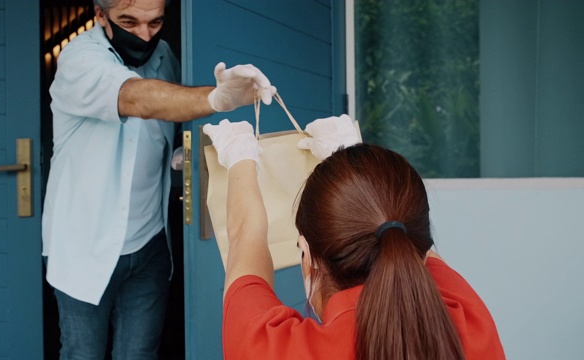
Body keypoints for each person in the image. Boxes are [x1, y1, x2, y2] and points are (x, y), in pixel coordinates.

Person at [42, 0, 276, 358]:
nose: (143, 34)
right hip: (82, 246)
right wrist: (216, 98)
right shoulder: (78, 58)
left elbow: (163, 122)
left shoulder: (164, 55)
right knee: (82, 354)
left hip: (150, 243)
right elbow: (138, 98)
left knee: (140, 354)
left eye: (155, 23)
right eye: (129, 21)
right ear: (100, 15)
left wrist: (177, 161)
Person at [203, 116, 506, 360]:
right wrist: (353, 163)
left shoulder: (274, 350)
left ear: (308, 257)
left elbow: (245, 238)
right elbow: (418, 248)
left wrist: (239, 156)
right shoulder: (472, 326)